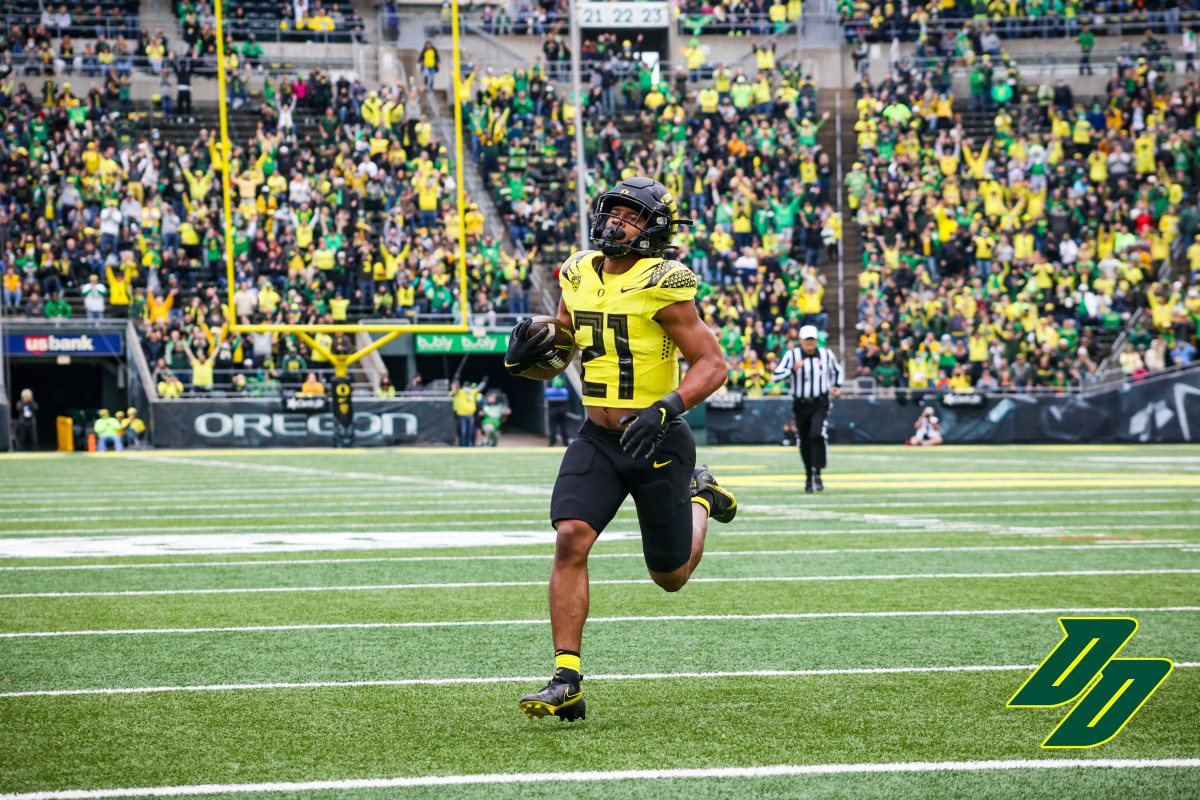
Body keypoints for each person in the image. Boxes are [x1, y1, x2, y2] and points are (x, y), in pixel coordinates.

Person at [505, 177, 736, 722]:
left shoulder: (665, 282)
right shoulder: (578, 271)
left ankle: (699, 496)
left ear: (653, 228)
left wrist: (666, 407)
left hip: (656, 436)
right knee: (569, 538)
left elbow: (714, 364)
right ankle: (566, 677)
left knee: (670, 576)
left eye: (632, 217)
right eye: (614, 212)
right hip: (598, 438)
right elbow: (564, 338)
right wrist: (535, 348)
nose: (617, 223)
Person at [771, 324, 843, 493]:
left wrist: (837, 386)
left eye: (812, 339)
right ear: (800, 340)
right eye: (806, 339)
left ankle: (817, 472)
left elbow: (837, 371)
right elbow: (776, 375)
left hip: (820, 401)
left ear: (816, 340)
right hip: (801, 403)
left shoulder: (826, 354)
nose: (810, 342)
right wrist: (793, 369)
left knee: (816, 433)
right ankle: (808, 476)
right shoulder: (792, 355)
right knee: (804, 439)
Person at [450, 376, 486, 447]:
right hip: (461, 415)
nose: (467, 388)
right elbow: (455, 387)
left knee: (470, 431)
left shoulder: (471, 392)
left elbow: (479, 388)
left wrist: (484, 382)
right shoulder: (459, 392)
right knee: (463, 431)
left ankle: (469, 445)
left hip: (470, 415)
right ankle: (463, 445)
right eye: (465, 386)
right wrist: (456, 379)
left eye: (468, 386)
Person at [544, 374, 571, 446]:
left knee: (553, 427)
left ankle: (552, 443)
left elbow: (546, 398)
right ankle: (566, 443)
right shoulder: (565, 391)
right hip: (563, 411)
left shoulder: (548, 391)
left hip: (552, 411)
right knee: (564, 427)